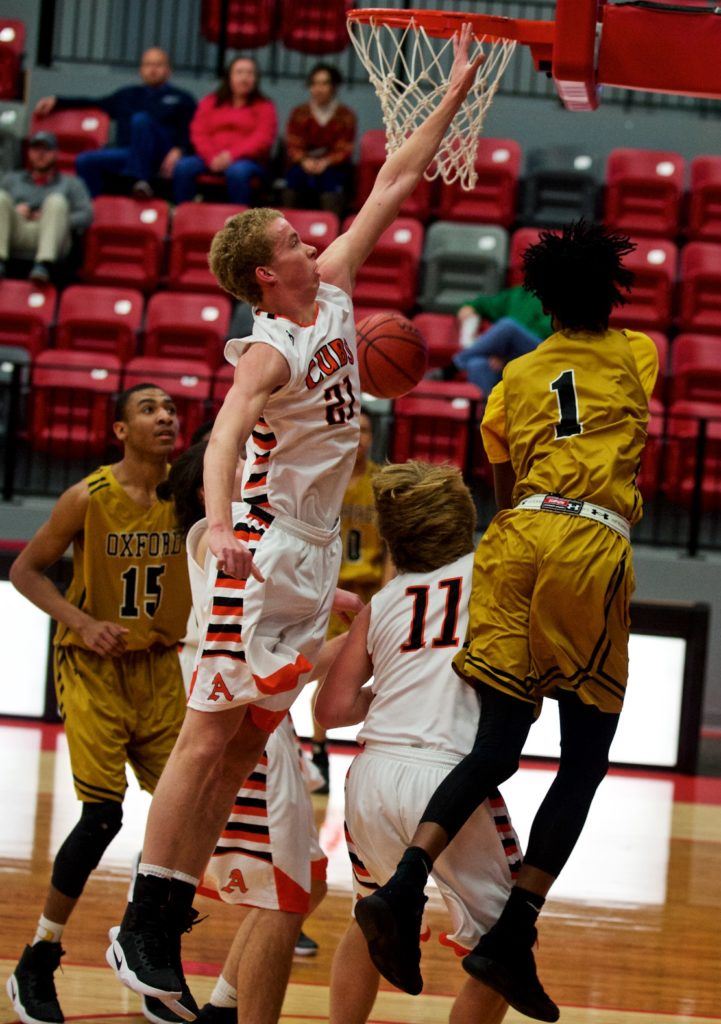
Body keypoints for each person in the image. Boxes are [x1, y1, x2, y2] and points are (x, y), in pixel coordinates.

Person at [106, 25, 483, 1019]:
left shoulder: (333, 296)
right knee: (204, 737)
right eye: (289, 244)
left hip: (311, 560)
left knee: (237, 749)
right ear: (265, 276)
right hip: (260, 548)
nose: (308, 242)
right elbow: (225, 436)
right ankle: (143, 917)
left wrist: (446, 100)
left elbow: (393, 183)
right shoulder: (267, 346)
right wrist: (223, 525)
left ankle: (170, 914)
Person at [353, 221, 659, 1023]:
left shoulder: (514, 378)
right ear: (612, 295)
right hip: (587, 542)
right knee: (584, 758)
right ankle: (511, 931)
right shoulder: (636, 355)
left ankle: (403, 884)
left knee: (495, 746)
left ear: (542, 301)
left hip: (514, 537)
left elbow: (501, 478)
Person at [5, 383, 192, 1024]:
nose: (165, 416)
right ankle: (38, 957)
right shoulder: (87, 497)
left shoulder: (191, 495)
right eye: (149, 409)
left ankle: (144, 948)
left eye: (170, 408)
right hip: (93, 668)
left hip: (161, 666)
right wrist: (80, 622)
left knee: (185, 821)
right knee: (102, 817)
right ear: (119, 430)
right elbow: (26, 571)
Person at [315, 460, 519, 1024]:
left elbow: (329, 711)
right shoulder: (492, 573)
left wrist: (389, 694)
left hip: (374, 774)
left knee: (369, 913)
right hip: (453, 776)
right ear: (462, 518)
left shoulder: (384, 600)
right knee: (504, 944)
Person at [140, 443, 326, 1024]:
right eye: (243, 467)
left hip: (266, 723)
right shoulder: (221, 542)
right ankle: (153, 959)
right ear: (211, 491)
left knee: (309, 882)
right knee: (284, 896)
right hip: (248, 734)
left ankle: (221, 1003)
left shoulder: (252, 546)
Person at [311, 409, 386, 792]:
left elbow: (392, 544)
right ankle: (319, 754)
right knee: (325, 674)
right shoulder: (323, 480)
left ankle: (379, 747)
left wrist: (389, 591)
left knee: (384, 675)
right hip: (329, 592)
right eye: (354, 429)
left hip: (370, 592)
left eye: (367, 430)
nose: (360, 437)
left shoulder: (383, 483)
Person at [34, 48, 196, 198]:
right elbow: (93, 103)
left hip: (160, 155)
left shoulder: (182, 98)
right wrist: (57, 101)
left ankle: (139, 181)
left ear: (169, 70)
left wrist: (179, 150)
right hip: (129, 153)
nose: (153, 69)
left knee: (141, 120)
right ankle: (93, 211)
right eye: (148, 64)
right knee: (85, 160)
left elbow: (192, 131)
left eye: (158, 65)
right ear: (141, 69)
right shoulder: (127, 95)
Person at [173, 57, 277, 207]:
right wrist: (212, 157)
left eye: (250, 73)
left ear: (256, 79)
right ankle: (181, 218)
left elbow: (263, 138)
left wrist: (230, 156)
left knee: (237, 171)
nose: (244, 78)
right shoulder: (210, 102)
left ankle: (241, 226)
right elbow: (198, 132)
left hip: (248, 162)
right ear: (229, 77)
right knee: (183, 166)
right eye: (239, 72)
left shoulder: (265, 106)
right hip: (210, 158)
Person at [0, 130, 92, 282]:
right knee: (1, 198)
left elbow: (86, 215)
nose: (40, 154)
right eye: (36, 149)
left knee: (56, 202)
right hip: (19, 232)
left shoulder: (71, 183)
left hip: (53, 238)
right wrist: (15, 211)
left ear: (56, 153)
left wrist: (52, 217)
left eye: (46, 149)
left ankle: (43, 265)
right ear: (29, 153)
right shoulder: (12, 179)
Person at [438, 285, 552, 396]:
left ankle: (453, 366)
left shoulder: (556, 297)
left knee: (507, 326)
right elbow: (482, 305)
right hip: (507, 358)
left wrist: (508, 357)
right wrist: (470, 307)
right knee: (477, 364)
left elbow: (552, 335)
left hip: (544, 355)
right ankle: (485, 412)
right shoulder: (518, 293)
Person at [283, 62, 357, 217]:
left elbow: (345, 148)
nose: (318, 89)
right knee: (293, 180)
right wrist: (304, 160)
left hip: (332, 167)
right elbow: (292, 143)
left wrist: (326, 162)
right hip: (303, 165)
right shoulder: (299, 113)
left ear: (333, 87)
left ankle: (331, 231)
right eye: (315, 83)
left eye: (324, 83)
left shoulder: (346, 116)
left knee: (332, 182)